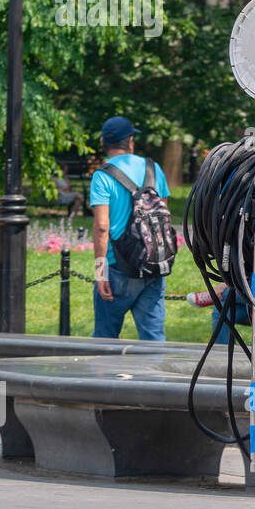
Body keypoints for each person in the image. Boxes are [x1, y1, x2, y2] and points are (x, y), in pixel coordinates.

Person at [90, 116, 170, 341]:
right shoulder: (153, 168)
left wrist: (100, 272)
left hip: (117, 268)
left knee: (105, 341)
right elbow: (164, 215)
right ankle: (154, 377)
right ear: (131, 141)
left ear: (104, 142)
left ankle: (104, 377)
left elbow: (102, 226)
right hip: (153, 265)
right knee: (153, 338)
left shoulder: (102, 176)